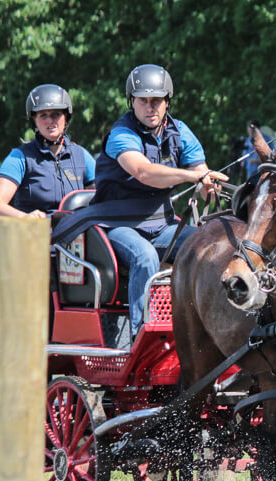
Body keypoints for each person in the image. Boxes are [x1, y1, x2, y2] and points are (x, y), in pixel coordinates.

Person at [88, 64, 228, 337]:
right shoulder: (121, 135)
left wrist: (209, 187)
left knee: (210, 243)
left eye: (157, 100)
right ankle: (142, 334)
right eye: (143, 100)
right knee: (145, 256)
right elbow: (144, 172)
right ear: (132, 102)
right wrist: (192, 177)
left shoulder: (181, 131)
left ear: (167, 102)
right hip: (117, 226)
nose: (150, 107)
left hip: (161, 225)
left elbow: (202, 174)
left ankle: (204, 325)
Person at [0, 84, 95, 219]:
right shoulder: (20, 157)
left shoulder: (81, 155)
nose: (50, 121)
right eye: (43, 115)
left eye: (56, 114)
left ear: (66, 117)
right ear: (34, 120)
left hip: (75, 229)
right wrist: (25, 217)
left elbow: (103, 193)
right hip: (36, 229)